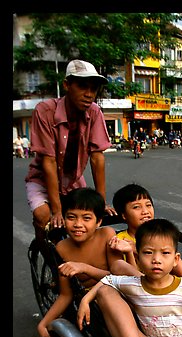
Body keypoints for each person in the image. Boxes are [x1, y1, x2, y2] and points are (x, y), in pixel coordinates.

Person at [25, 59, 116, 245]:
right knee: (44, 216)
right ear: (67, 85)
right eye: (82, 87)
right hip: (42, 179)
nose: (89, 94)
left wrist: (100, 203)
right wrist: (56, 209)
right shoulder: (45, 111)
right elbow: (48, 161)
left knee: (87, 219)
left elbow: (97, 158)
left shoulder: (95, 112)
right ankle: (42, 248)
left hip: (73, 180)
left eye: (93, 88)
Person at [37, 187, 137, 337]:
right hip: (93, 305)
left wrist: (84, 268)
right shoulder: (62, 248)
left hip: (118, 291)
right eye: (71, 217)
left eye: (86, 218)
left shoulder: (107, 235)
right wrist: (43, 323)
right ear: (63, 218)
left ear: (98, 221)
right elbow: (65, 295)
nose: (78, 224)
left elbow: (116, 276)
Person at [109, 183, 182, 303]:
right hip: (138, 288)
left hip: (163, 278)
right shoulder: (119, 240)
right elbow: (122, 272)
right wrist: (133, 251)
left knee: (169, 253)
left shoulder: (158, 235)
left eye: (148, 205)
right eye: (136, 207)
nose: (145, 211)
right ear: (123, 215)